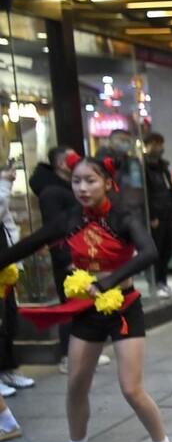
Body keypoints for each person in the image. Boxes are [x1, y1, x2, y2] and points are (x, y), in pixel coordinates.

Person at [0, 154, 171, 442]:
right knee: (76, 383)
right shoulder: (69, 218)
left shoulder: (123, 216)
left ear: (107, 183)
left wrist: (108, 281)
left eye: (90, 181)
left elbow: (150, 252)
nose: (82, 187)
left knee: (131, 387)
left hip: (123, 305)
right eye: (76, 181)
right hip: (85, 309)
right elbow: (28, 244)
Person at [30, 145, 104, 374]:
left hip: (84, 254)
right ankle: (67, 355)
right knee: (70, 305)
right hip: (67, 257)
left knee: (84, 304)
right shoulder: (52, 192)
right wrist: (66, 258)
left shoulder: (68, 189)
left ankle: (85, 351)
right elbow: (55, 230)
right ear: (63, 164)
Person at [0, 163, 33, 393]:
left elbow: (7, 223)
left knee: (9, 319)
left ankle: (8, 370)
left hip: (5, 267)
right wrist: (4, 185)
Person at [141, 132, 172, 299]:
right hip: (156, 217)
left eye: (160, 144)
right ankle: (155, 283)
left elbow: (170, 191)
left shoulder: (163, 168)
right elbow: (145, 194)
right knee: (156, 251)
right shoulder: (143, 168)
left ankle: (163, 281)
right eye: (155, 144)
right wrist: (151, 216)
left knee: (167, 250)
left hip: (168, 214)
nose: (159, 148)